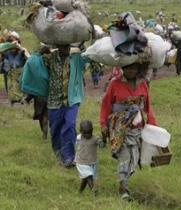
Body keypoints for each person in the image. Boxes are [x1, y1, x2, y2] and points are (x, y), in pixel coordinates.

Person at [21, 44, 90, 168]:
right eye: (63, 47)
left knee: (69, 125)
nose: (66, 49)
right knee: (56, 130)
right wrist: (39, 52)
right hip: (53, 101)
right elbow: (32, 63)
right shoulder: (49, 58)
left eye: (68, 46)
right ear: (58, 46)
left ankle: (69, 157)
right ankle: (61, 155)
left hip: (71, 100)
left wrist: (90, 36)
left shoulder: (76, 57)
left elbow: (90, 54)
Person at [100, 62, 157, 201]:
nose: (131, 70)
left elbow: (147, 107)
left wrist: (153, 125)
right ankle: (123, 187)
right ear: (122, 68)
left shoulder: (142, 83)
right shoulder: (114, 84)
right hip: (119, 128)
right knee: (124, 155)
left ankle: (125, 180)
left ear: (138, 69)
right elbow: (106, 104)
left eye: (134, 68)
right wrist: (103, 124)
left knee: (134, 156)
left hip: (137, 128)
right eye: (128, 67)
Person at [75, 119, 105, 195]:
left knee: (85, 178)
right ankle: (93, 189)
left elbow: (102, 145)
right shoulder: (78, 137)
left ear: (92, 129)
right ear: (80, 131)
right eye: (85, 133)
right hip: (81, 162)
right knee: (88, 175)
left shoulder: (95, 138)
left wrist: (104, 139)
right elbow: (77, 147)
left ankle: (80, 191)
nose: (88, 135)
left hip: (92, 162)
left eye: (89, 132)